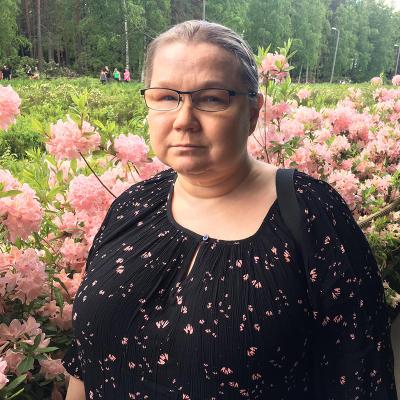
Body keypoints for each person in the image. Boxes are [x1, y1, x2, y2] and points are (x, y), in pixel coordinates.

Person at [63, 20, 397, 400]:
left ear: (253, 113)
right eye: (165, 97)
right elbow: (85, 363)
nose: (184, 120)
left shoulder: (311, 216)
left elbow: (359, 378)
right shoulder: (132, 207)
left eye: (211, 98)